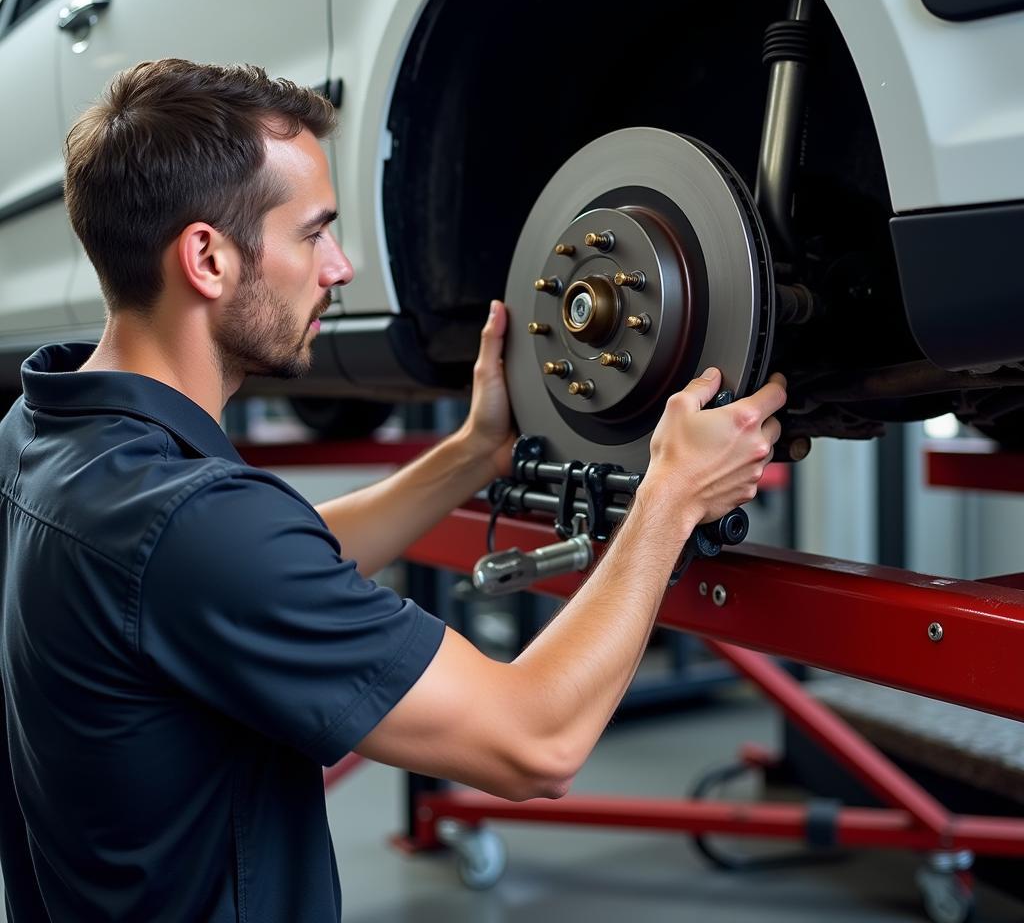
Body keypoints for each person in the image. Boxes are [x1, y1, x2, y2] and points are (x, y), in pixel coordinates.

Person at [0, 59, 786, 922]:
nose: (338, 268)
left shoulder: (42, 441)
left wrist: (473, 451)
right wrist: (670, 497)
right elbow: (535, 740)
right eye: (312, 233)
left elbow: (265, 571)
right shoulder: (192, 527)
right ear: (208, 258)